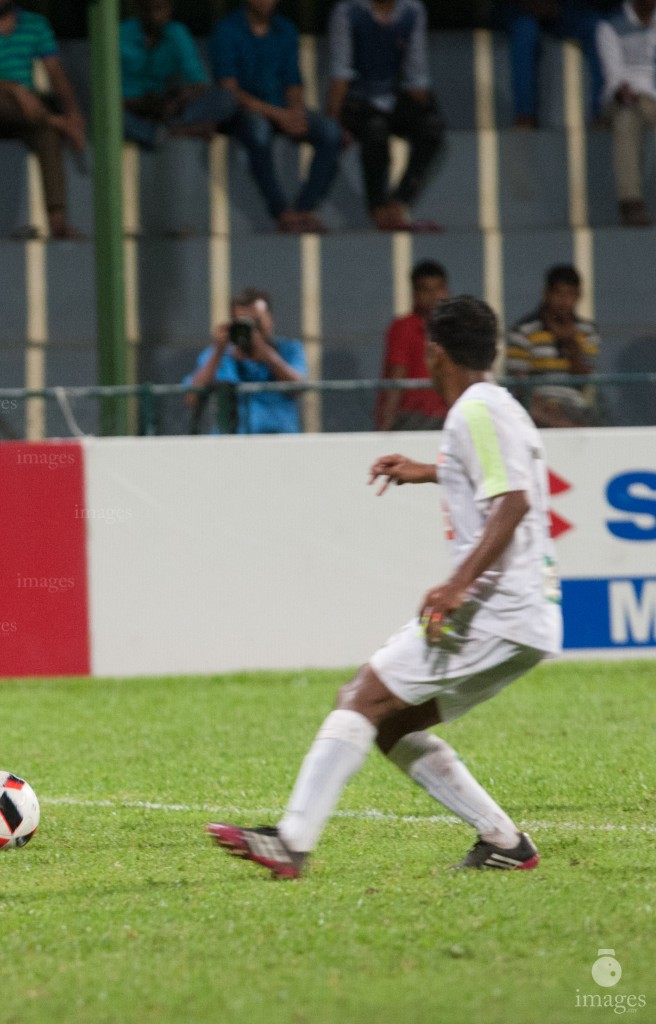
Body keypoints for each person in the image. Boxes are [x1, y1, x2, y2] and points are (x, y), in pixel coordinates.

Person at [208, 295, 562, 879]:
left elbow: (515, 501)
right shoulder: (497, 406)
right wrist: (425, 470)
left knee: (363, 697)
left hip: (495, 609)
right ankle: (505, 841)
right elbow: (499, 478)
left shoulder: (473, 411)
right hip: (527, 620)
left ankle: (291, 841)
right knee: (394, 722)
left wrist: (455, 585)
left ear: (435, 352)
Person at [0, 0, 88, 239]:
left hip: (28, 118)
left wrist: (73, 112)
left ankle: (58, 222)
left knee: (47, 138)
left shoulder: (35, 25)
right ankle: (56, 122)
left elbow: (55, 73)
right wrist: (14, 90)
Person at [212, 0, 343, 234]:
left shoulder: (286, 29)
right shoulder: (226, 30)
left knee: (330, 131)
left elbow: (292, 80)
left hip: (280, 110)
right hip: (240, 113)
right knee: (259, 129)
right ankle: (281, 211)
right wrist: (279, 115)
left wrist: (295, 113)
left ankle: (304, 210)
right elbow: (229, 90)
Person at [326, 0, 446, 232]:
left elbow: (417, 76)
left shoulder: (412, 11)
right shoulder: (349, 11)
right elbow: (341, 71)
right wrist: (333, 121)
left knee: (432, 126)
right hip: (358, 102)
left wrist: (425, 114)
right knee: (376, 129)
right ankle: (377, 206)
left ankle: (399, 201)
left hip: (390, 97)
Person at [184, 286, 306, 434]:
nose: (251, 331)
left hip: (278, 441)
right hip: (231, 442)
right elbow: (192, 398)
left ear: (270, 320)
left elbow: (299, 388)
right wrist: (218, 352)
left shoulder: (288, 350)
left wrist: (269, 357)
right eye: (244, 324)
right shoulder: (218, 355)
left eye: (256, 323)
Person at [119, 0, 238, 149]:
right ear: (139, 9)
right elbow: (107, 96)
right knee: (116, 119)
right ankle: (170, 132)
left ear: (170, 9)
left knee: (225, 99)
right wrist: (141, 103)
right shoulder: (121, 34)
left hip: (166, 108)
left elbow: (200, 83)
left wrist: (177, 99)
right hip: (131, 107)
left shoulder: (176, 32)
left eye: (160, 9)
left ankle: (167, 131)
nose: (154, 16)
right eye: (148, 10)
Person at [507, 264, 600, 427]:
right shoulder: (523, 331)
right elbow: (520, 386)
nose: (564, 302)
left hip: (575, 407)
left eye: (570, 295)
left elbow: (584, 381)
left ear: (578, 296)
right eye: (558, 293)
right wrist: (552, 415)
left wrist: (571, 343)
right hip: (537, 409)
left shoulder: (587, 332)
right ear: (546, 293)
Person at [498, 0, 611, 129]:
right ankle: (524, 116)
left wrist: (552, 7)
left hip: (558, 8)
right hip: (513, 8)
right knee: (526, 29)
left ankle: (601, 113)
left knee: (597, 25)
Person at [597, 0, 656, 226]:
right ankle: (631, 203)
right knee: (626, 118)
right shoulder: (611, 26)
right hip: (625, 98)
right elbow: (614, 76)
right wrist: (624, 92)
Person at [377, 259, 451, 430]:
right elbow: (396, 378)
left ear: (446, 290)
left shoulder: (454, 328)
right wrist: (385, 426)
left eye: (439, 289)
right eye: (426, 290)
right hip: (413, 417)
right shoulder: (403, 328)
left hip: (448, 414)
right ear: (415, 294)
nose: (434, 297)